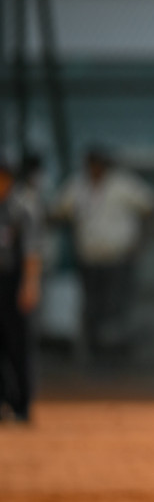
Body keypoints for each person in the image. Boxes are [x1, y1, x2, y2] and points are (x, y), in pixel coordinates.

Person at [52, 147, 154, 360]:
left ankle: (115, 355)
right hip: (89, 259)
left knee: (115, 307)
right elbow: (57, 211)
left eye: (97, 165)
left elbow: (151, 206)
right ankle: (94, 354)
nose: (94, 169)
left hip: (118, 258)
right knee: (92, 307)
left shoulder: (123, 184)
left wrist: (141, 242)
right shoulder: (79, 185)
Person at [0, 155, 44, 423]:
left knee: (17, 344)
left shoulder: (22, 207)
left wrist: (29, 285)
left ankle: (22, 405)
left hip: (13, 281)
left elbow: (31, 251)